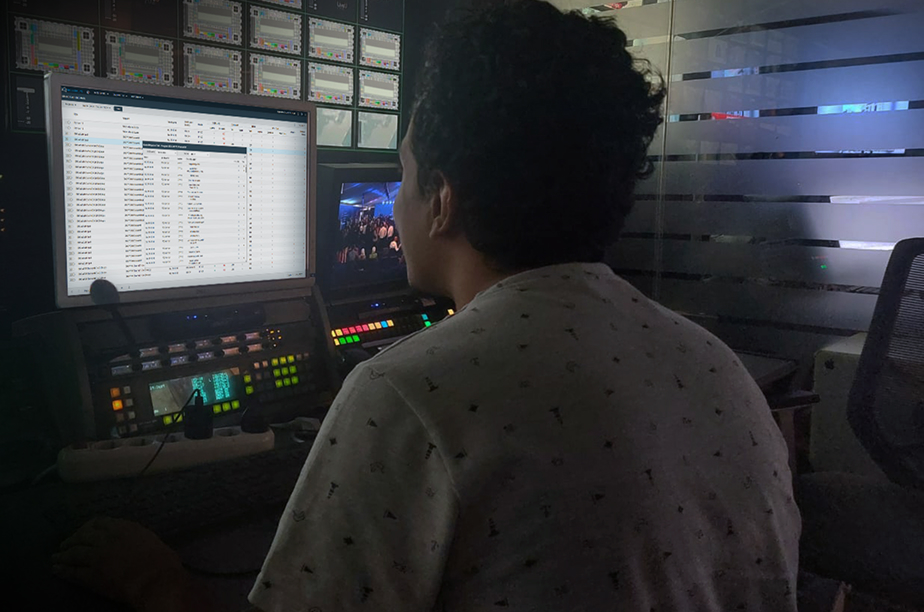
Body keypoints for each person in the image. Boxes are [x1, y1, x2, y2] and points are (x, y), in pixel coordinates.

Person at [52, 1, 800, 611]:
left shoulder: (409, 395)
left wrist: (158, 585)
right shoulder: (715, 365)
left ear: (442, 199)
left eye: (403, 174)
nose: (400, 203)